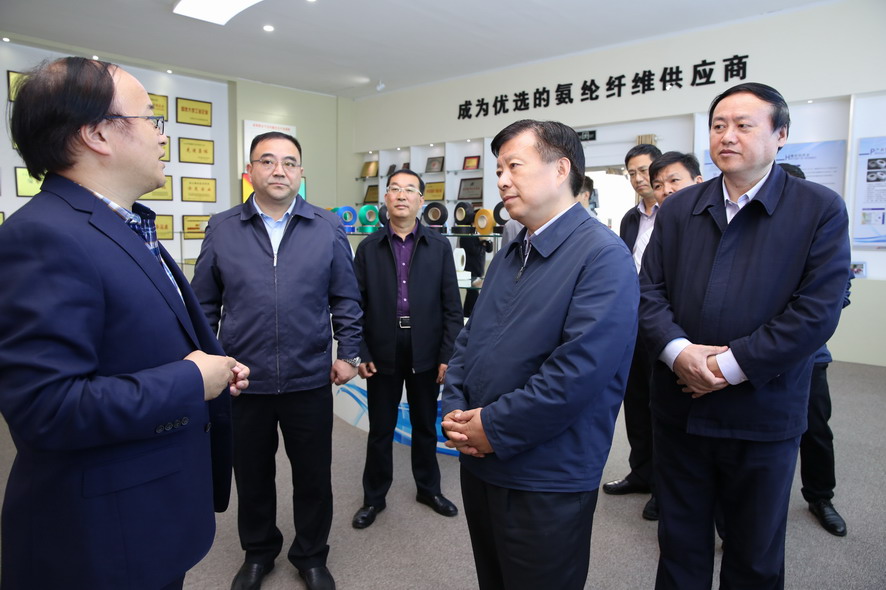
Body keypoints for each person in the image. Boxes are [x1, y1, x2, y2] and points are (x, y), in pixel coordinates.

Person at [0, 57, 249, 590]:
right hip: (99, 541)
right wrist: (191, 380)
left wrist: (212, 370)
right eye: (150, 118)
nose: (163, 136)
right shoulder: (43, 237)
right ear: (96, 134)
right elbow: (47, 408)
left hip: (145, 514)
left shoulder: (120, 225)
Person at [639, 82, 850, 589]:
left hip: (762, 413)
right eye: (718, 125)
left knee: (754, 555)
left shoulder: (818, 208)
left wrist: (726, 367)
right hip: (680, 410)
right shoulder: (679, 208)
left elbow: (816, 311)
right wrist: (678, 353)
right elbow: (647, 293)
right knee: (679, 548)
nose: (727, 135)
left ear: (781, 135)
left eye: (743, 125)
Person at [441, 119, 638, 590]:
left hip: (547, 475)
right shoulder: (514, 248)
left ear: (560, 169)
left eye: (514, 166)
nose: (502, 180)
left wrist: (492, 427)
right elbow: (471, 339)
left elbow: (576, 374)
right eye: (499, 169)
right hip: (481, 458)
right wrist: (455, 409)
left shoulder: (602, 256)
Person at [191, 131, 362, 590]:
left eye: (289, 162)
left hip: (309, 377)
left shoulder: (326, 226)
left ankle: (311, 555)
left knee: (313, 476)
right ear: (250, 171)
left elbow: (345, 298)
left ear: (301, 172)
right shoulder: (223, 228)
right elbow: (203, 306)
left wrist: (349, 352)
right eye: (267, 161)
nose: (279, 170)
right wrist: (210, 362)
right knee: (252, 476)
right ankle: (259, 552)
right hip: (244, 379)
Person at [351, 169, 464, 529]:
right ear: (385, 198)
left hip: (425, 347)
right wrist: (362, 351)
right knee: (381, 429)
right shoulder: (368, 248)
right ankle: (373, 498)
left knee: (425, 425)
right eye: (395, 189)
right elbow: (354, 307)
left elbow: (452, 308)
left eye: (409, 190)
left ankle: (428, 489)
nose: (401, 195)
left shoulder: (439, 246)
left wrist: (447, 356)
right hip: (382, 349)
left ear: (421, 200)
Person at [778, 162, 849, 537]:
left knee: (816, 429)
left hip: (808, 355)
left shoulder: (820, 230)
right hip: (750, 354)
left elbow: (837, 293)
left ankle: (821, 497)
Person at [604, 144, 662, 521]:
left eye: (644, 170)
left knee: (662, 408)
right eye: (632, 173)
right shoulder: (630, 218)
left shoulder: (678, 213)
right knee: (636, 402)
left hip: (663, 324)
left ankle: (664, 487)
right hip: (631, 323)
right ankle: (641, 473)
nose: (639, 179)